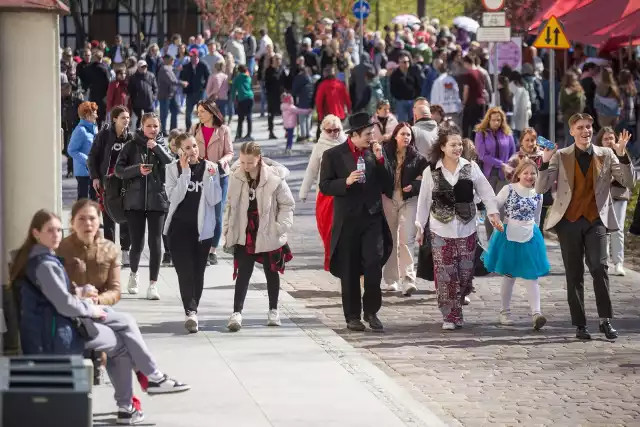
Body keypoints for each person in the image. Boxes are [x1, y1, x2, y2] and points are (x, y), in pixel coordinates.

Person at [11, 209, 190, 425]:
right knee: (122, 342)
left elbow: (53, 296)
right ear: (36, 233)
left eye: (58, 230)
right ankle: (139, 393)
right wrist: (89, 308)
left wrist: (80, 292)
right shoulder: (44, 264)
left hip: (56, 327)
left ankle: (144, 388)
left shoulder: (40, 259)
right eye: (50, 231)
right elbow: (64, 304)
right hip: (56, 336)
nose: (56, 235)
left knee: (124, 323)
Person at [535, 113, 634, 340]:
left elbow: (629, 182)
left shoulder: (607, 154)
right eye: (580, 127)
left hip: (596, 220)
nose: (585, 131)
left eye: (589, 126)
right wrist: (544, 160)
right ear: (571, 131)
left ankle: (605, 320)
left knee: (599, 268)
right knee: (574, 273)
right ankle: (580, 324)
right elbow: (541, 188)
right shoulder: (560, 155)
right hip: (568, 222)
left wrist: (622, 154)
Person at [415, 124, 500, 330]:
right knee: (445, 275)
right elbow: (424, 200)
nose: (457, 148)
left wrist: (493, 214)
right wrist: (419, 227)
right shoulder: (431, 171)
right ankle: (450, 316)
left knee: (464, 274)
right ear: (442, 147)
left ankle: (457, 304)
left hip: (467, 227)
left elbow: (487, 193)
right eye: (453, 145)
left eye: (459, 144)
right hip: (439, 229)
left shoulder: (471, 167)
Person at [319, 112, 394, 332]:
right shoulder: (333, 155)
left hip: (372, 218)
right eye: (368, 134)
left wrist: (381, 160)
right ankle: (352, 316)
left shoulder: (375, 153)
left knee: (373, 265)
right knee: (349, 269)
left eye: (373, 133)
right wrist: (346, 182)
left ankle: (371, 311)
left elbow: (388, 185)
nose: (372, 137)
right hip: (348, 220)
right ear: (354, 134)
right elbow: (325, 185)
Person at [223, 142, 295, 332]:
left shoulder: (274, 177)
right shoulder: (236, 176)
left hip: (267, 228)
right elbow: (230, 205)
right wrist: (227, 228)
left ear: (259, 159)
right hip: (245, 229)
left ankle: (273, 309)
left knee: (271, 271)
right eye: (243, 162)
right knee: (243, 272)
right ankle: (236, 312)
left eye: (250, 162)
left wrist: (280, 227)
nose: (246, 166)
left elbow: (287, 204)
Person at [481, 159, 550, 329]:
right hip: (509, 235)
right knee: (509, 275)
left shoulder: (538, 193)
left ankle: (536, 313)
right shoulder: (508, 189)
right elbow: (493, 205)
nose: (529, 176)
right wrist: (494, 218)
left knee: (531, 276)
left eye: (533, 173)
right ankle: (504, 311)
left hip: (529, 235)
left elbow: (537, 217)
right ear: (518, 174)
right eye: (525, 173)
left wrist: (537, 233)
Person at [164, 133, 222, 333]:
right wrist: (186, 173)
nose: (192, 151)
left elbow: (215, 199)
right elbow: (174, 197)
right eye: (187, 148)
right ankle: (190, 312)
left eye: (194, 146)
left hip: (202, 231)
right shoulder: (171, 169)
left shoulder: (210, 168)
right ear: (179, 151)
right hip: (178, 230)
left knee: (198, 273)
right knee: (185, 272)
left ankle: (193, 308)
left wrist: (213, 178)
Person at [115, 113, 174, 300]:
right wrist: (136, 170)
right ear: (142, 126)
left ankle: (153, 284)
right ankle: (133, 274)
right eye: (149, 126)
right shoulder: (131, 145)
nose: (153, 130)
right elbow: (118, 170)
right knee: (137, 243)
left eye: (156, 126)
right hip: (135, 201)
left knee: (156, 243)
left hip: (157, 199)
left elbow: (171, 164)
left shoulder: (162, 145)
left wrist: (157, 149)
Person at [381, 123, 428, 295]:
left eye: (409, 135)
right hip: (388, 199)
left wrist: (415, 185)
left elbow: (427, 178)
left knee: (406, 239)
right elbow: (378, 172)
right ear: (395, 136)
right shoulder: (385, 153)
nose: (406, 137)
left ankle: (408, 280)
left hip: (409, 200)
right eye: (403, 134)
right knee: (391, 239)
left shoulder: (418, 158)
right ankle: (391, 280)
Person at [299, 115, 347, 271]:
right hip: (325, 194)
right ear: (323, 130)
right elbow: (311, 171)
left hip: (344, 193)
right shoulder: (319, 147)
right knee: (327, 229)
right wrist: (303, 192)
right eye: (330, 130)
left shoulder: (347, 143)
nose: (334, 133)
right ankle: (331, 259)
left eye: (337, 130)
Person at [88, 105, 133, 266]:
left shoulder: (130, 137)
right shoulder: (104, 135)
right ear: (114, 119)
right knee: (108, 218)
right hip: (107, 182)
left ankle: (126, 251)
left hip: (125, 182)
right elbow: (92, 157)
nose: (126, 121)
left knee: (126, 216)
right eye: (123, 118)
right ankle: (110, 252)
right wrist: (95, 177)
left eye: (128, 118)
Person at [191, 99, 234, 266]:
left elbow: (230, 152)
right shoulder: (195, 128)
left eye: (202, 111)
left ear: (211, 112)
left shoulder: (223, 130)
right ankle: (199, 246)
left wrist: (222, 162)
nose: (199, 114)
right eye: (198, 111)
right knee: (199, 213)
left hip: (219, 176)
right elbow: (189, 148)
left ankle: (212, 251)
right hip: (199, 176)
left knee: (216, 215)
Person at [593, 127, 633, 276]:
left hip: (618, 195)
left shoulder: (620, 152)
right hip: (601, 197)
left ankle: (618, 262)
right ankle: (605, 262)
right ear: (600, 141)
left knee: (617, 229)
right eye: (606, 139)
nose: (609, 141)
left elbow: (629, 178)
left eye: (611, 138)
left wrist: (621, 154)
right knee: (603, 230)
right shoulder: (596, 155)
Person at [474, 107, 517, 238]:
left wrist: (509, 164)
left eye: (499, 120)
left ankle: (501, 237)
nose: (496, 123)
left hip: (504, 175)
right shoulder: (481, 133)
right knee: (491, 207)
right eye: (493, 120)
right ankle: (491, 237)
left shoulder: (507, 133)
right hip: (489, 174)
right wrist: (501, 164)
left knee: (502, 207)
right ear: (488, 120)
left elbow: (513, 152)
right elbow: (482, 155)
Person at [504, 128, 553, 234]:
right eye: (527, 140)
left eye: (533, 140)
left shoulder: (542, 155)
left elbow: (553, 148)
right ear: (521, 141)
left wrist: (542, 141)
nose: (530, 143)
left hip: (538, 197)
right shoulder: (516, 157)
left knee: (537, 229)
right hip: (520, 200)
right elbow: (509, 175)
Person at [68, 101, 99, 201]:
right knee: (83, 200)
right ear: (87, 115)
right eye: (94, 113)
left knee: (95, 199)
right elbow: (71, 150)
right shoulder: (80, 130)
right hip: (83, 173)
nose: (97, 116)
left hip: (93, 171)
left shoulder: (94, 128)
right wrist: (87, 160)